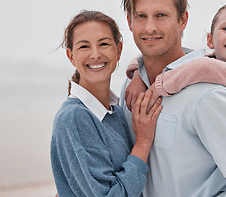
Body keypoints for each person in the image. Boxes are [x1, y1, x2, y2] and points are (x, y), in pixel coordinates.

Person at [120, 0, 226, 196]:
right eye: (141, 16)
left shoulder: (207, 94)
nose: (150, 27)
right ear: (129, 22)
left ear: (183, 20)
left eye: (161, 15)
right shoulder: (131, 83)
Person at [50, 10, 163, 197]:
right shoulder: (75, 117)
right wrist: (143, 143)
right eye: (84, 47)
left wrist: (138, 74)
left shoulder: (115, 112)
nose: (95, 54)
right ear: (71, 56)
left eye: (103, 44)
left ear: (118, 51)